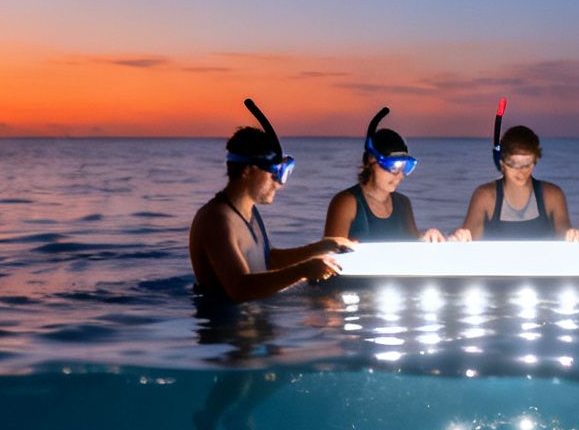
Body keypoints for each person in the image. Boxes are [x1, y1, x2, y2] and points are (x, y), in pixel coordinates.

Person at [189, 98, 351, 302]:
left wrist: (321, 247)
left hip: (254, 324)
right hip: (227, 330)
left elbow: (269, 260)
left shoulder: (249, 212)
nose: (279, 183)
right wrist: (302, 271)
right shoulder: (216, 219)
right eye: (274, 173)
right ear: (248, 171)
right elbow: (240, 288)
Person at [324, 107, 441, 242]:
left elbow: (414, 245)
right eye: (394, 166)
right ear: (371, 160)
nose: (400, 175)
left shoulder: (403, 204)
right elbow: (329, 254)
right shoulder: (346, 203)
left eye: (405, 167)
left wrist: (428, 237)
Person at [453, 116, 577, 241]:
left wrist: (574, 235)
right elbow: (466, 241)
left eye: (526, 165)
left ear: (535, 161)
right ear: (502, 163)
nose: (520, 172)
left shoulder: (552, 195)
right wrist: (453, 237)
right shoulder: (485, 196)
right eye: (513, 165)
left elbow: (566, 236)